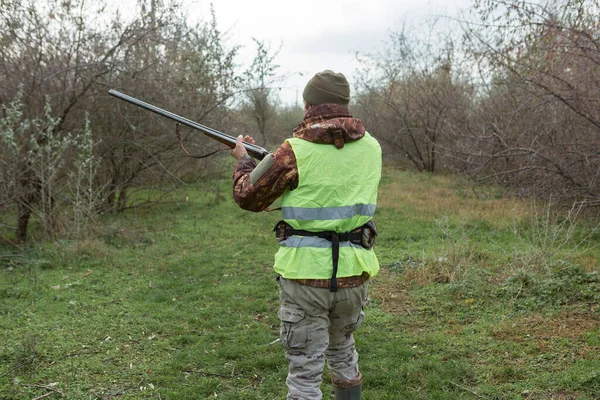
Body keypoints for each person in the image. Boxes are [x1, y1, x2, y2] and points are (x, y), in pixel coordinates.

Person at [230, 70, 382, 400]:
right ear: (344, 105)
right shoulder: (372, 147)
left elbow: (248, 196)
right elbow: (327, 182)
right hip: (355, 273)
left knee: (304, 376)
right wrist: (269, 161)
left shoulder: (293, 151)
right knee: (344, 354)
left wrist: (244, 161)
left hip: (305, 279)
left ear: (308, 105)